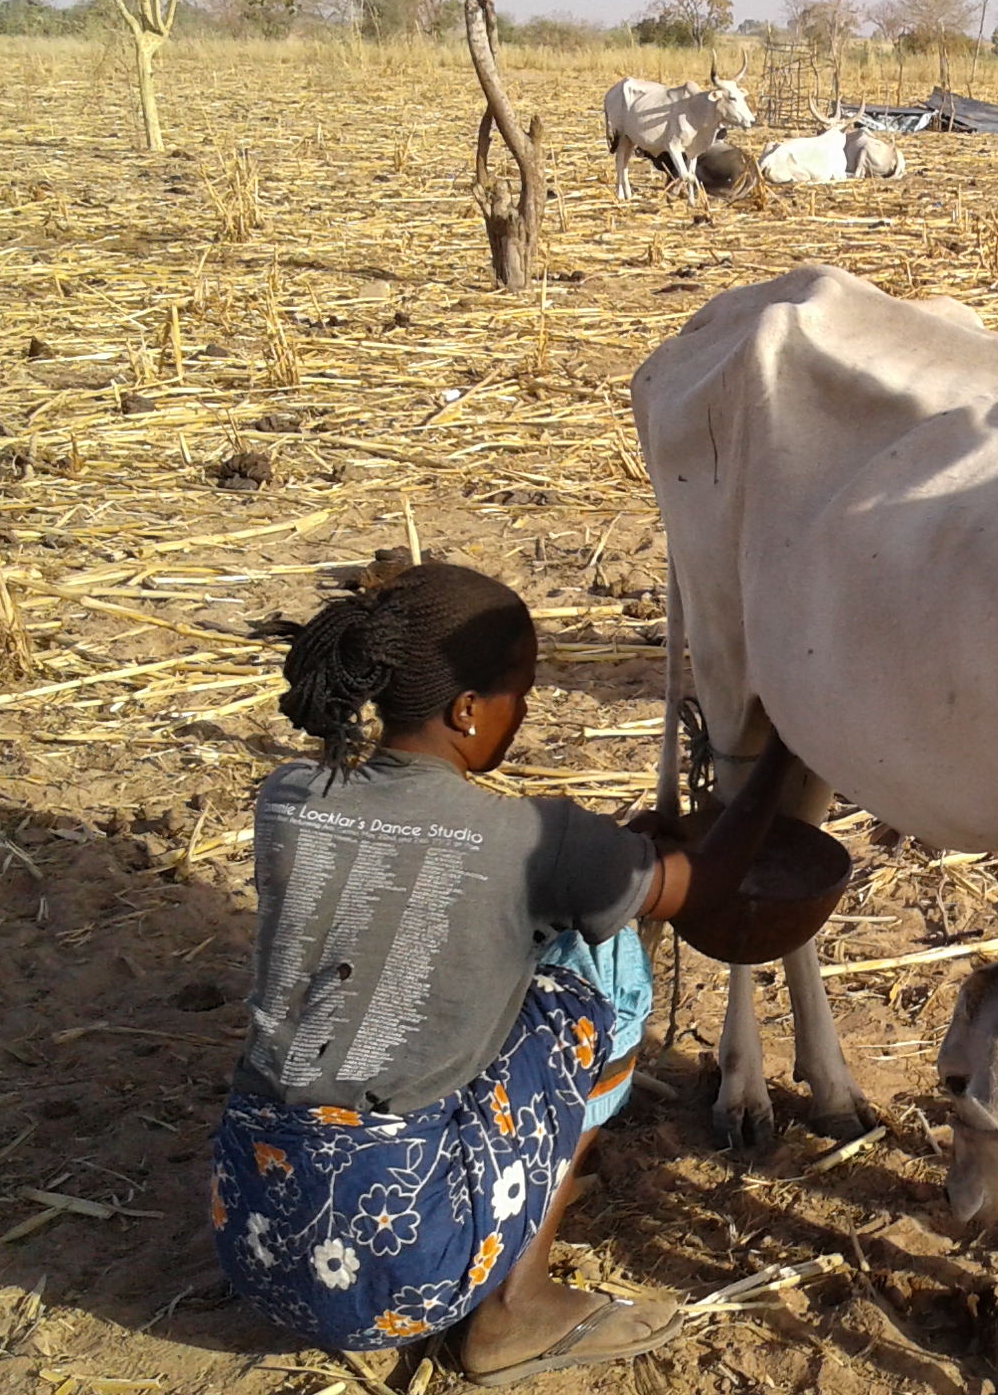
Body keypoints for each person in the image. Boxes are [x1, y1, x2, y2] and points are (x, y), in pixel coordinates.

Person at [209, 561, 778, 1386]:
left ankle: (495, 1215)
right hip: (405, 1263)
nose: (527, 710)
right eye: (524, 692)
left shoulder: (290, 794)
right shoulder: (530, 838)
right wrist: (773, 769)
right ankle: (514, 1303)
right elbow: (706, 886)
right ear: (467, 710)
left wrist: (608, 858)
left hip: (252, 1230)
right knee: (603, 969)